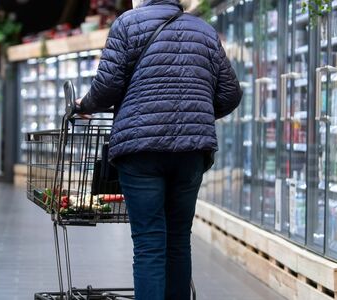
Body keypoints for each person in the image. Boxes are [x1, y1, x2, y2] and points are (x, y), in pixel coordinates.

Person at [76, 0, 242, 299]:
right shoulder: (204, 30)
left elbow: (108, 86)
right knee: (179, 240)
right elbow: (230, 93)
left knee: (149, 243)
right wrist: (195, 115)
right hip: (191, 152)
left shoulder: (127, 24)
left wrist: (85, 106)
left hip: (141, 151)